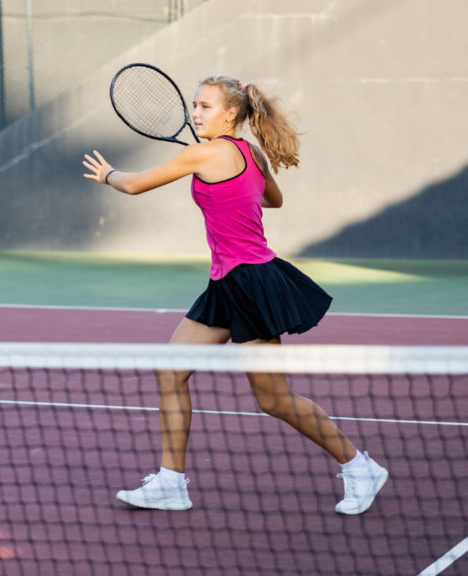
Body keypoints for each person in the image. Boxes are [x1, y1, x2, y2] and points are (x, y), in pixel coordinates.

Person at [82, 75, 387, 515]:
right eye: (194, 105)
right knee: (170, 371)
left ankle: (360, 467)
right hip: (228, 281)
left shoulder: (203, 152)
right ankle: (171, 483)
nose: (196, 113)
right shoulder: (249, 152)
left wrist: (109, 174)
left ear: (230, 114)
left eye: (205, 106)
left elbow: (133, 184)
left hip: (251, 283)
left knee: (273, 399)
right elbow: (273, 199)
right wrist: (237, 189)